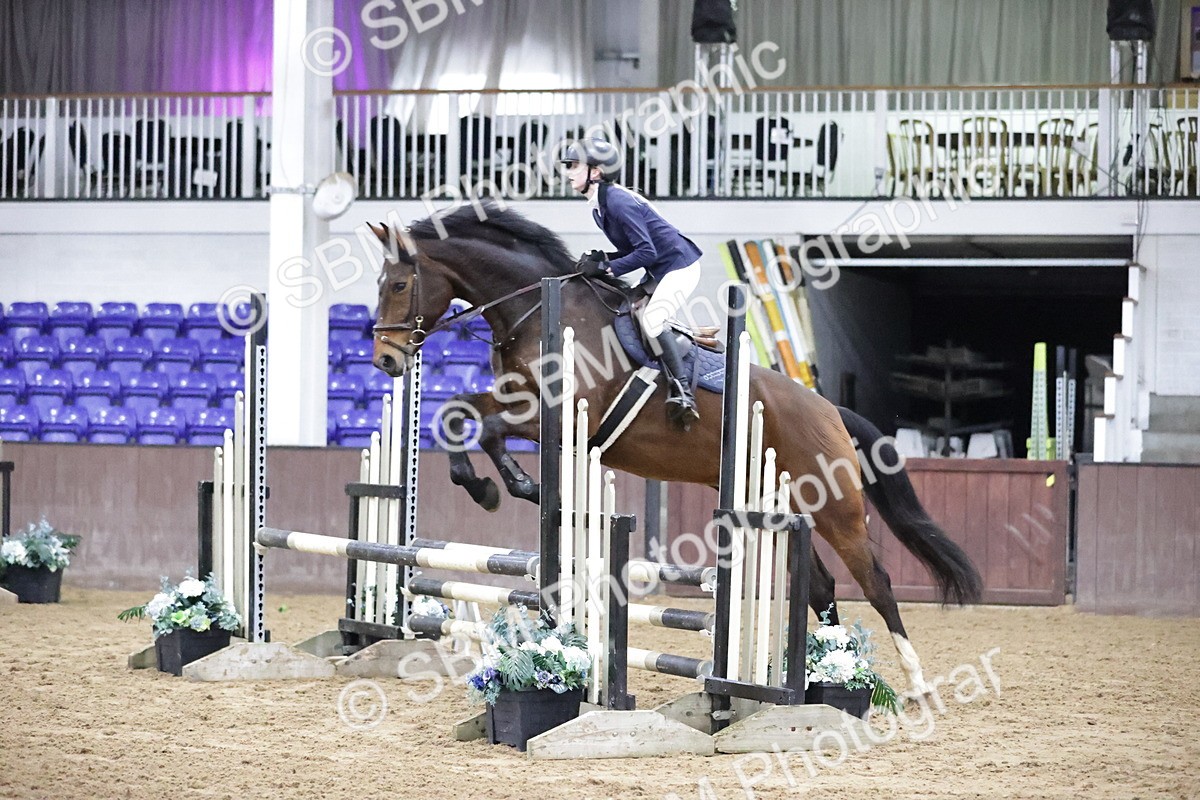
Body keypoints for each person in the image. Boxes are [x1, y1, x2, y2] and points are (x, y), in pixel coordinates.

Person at [560, 138, 703, 427]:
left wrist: (608, 268)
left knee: (652, 320)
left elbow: (646, 251)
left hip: (679, 267)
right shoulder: (600, 205)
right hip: (659, 268)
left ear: (596, 172)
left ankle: (683, 391)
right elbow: (634, 250)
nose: (568, 173)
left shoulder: (617, 202)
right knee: (624, 311)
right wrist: (602, 258)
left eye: (574, 166)